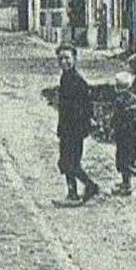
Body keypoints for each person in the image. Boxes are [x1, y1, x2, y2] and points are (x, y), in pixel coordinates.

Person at [55, 44, 101, 203]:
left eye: (67, 58)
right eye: (60, 58)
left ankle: (83, 190)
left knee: (71, 163)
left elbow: (87, 105)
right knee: (65, 162)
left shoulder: (78, 81)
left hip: (75, 128)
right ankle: (79, 190)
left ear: (74, 59)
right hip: (66, 127)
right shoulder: (65, 78)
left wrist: (86, 122)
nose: (63, 62)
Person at [110, 70, 136, 196]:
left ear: (117, 87)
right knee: (128, 157)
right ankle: (126, 181)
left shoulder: (119, 101)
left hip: (123, 135)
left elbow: (116, 118)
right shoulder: (135, 99)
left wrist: (111, 128)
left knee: (122, 159)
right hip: (134, 134)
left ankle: (126, 185)